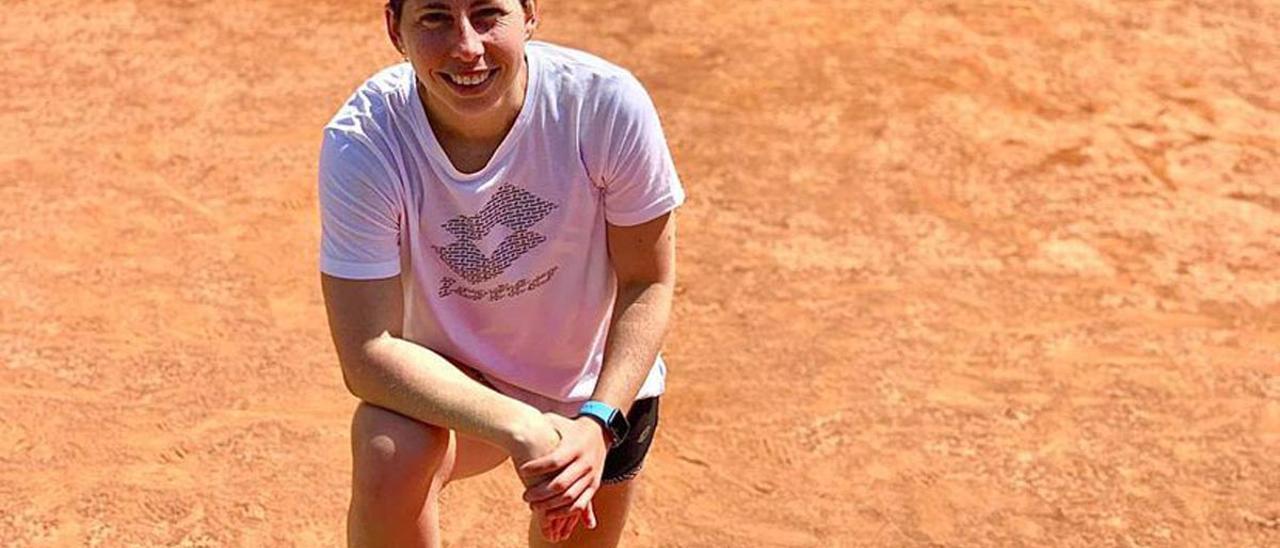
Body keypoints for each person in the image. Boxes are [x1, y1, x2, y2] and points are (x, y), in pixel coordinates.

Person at [317, 0, 684, 546]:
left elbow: (646, 282)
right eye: (435, 17)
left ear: (530, 13)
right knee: (389, 444)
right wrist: (523, 426)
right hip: (462, 382)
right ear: (395, 28)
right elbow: (369, 352)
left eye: (488, 13)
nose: (467, 47)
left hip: (595, 392)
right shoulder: (366, 142)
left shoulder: (604, 105)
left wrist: (598, 422)